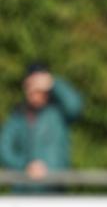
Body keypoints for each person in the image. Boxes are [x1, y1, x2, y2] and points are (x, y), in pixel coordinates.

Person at [0, 63, 83, 193]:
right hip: (24, 191)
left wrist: (54, 83)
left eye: (40, 88)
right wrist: (25, 166)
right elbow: (4, 150)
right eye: (32, 86)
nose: (36, 93)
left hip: (54, 191)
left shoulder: (57, 112)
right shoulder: (17, 116)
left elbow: (76, 106)